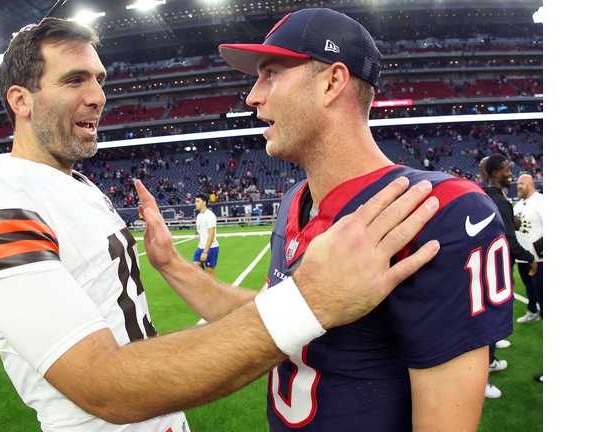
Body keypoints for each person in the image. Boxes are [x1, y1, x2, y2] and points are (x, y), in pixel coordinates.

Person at [0, 17, 440, 432]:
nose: (99, 96)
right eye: (74, 80)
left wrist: (170, 264)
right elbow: (102, 385)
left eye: (100, 80)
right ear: (20, 100)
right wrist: (310, 300)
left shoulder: (81, 188)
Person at [213, 8, 512, 429]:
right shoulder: (292, 201)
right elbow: (271, 316)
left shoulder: (442, 212)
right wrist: (171, 265)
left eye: (272, 73)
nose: (253, 96)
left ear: (332, 82)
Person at [482, 154, 538, 395]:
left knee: (492, 315)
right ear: (496, 174)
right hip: (497, 267)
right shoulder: (500, 201)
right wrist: (531, 258)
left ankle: (491, 353)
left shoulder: (487, 196)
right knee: (492, 317)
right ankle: (484, 371)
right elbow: (509, 242)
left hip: (487, 266)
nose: (509, 172)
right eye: (505, 168)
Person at [514, 174, 543, 325]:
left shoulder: (541, 201)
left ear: (530, 184)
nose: (518, 186)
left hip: (539, 257)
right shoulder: (519, 205)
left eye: (521, 183)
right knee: (529, 288)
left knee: (541, 289)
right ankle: (532, 312)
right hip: (523, 257)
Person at [192, 193, 220, 276]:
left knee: (210, 274)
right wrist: (198, 247)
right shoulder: (199, 216)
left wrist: (205, 252)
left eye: (198, 201)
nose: (195, 203)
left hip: (210, 248)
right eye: (195, 201)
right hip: (200, 247)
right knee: (195, 270)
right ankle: (204, 287)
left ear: (204, 203)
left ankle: (215, 289)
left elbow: (211, 235)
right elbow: (200, 233)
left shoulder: (210, 215)